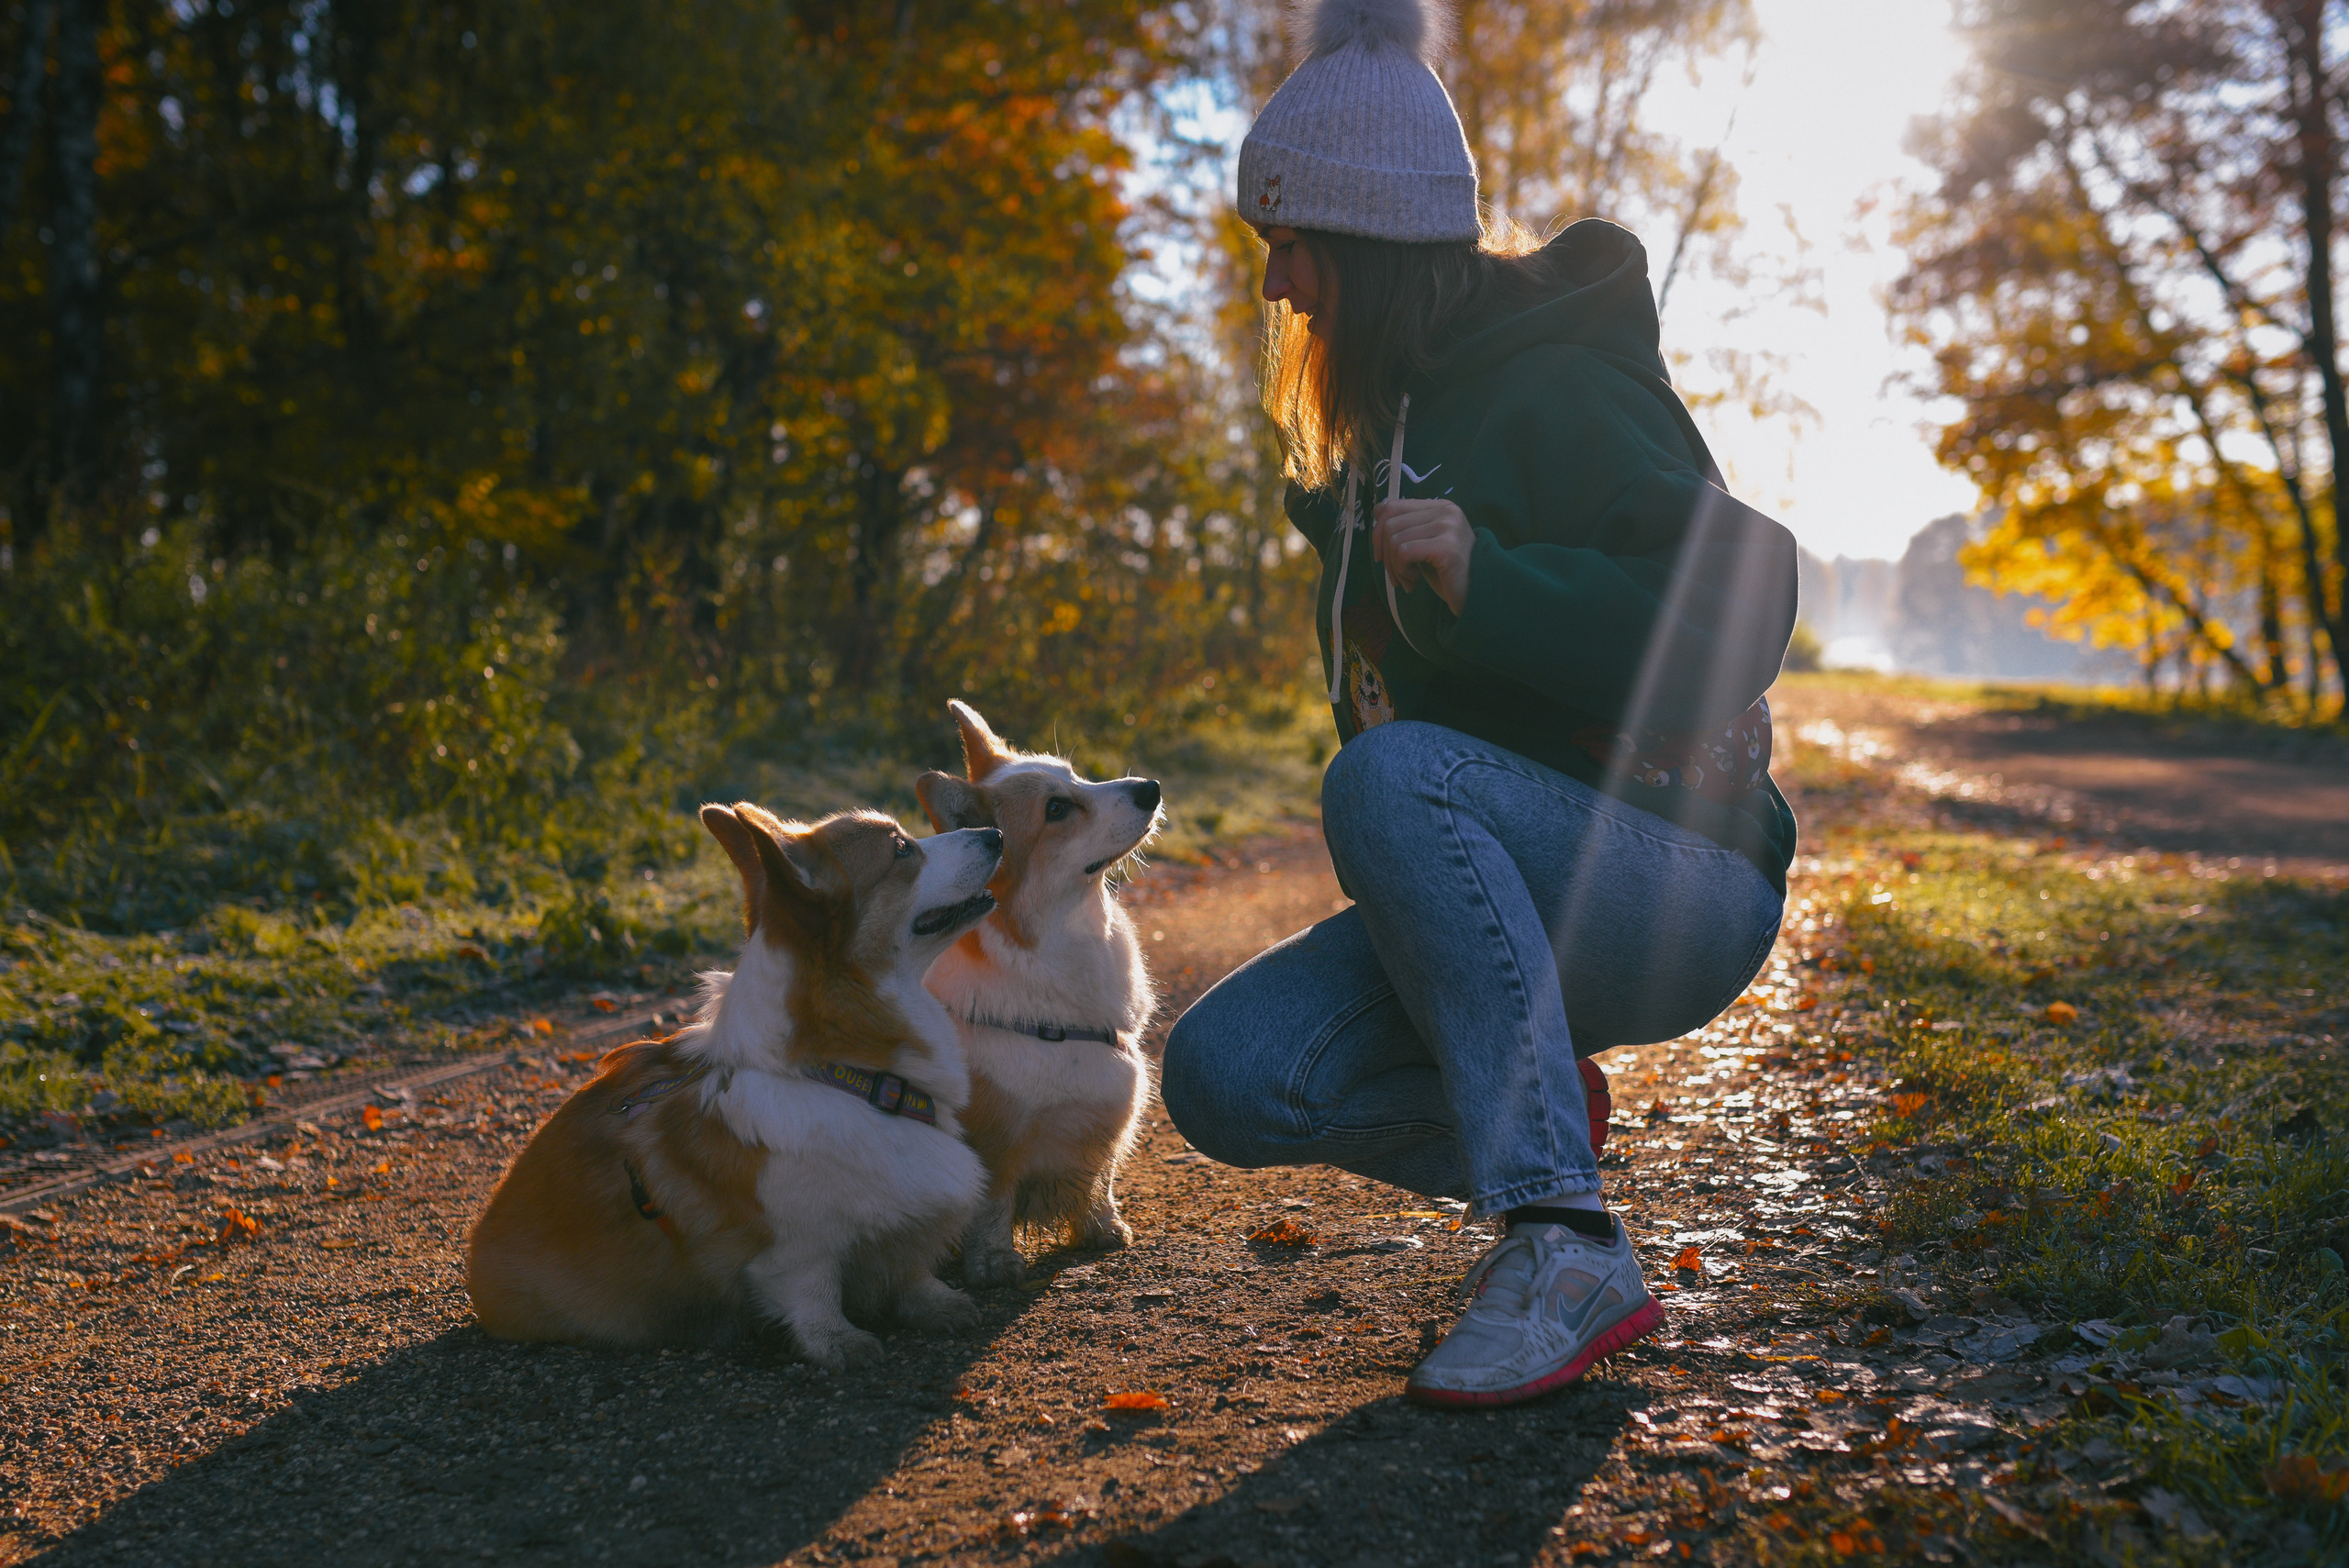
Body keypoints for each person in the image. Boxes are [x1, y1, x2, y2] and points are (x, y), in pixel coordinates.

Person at [1158, 0, 1799, 1408]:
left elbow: (1748, 601)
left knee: (1386, 785)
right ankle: (1548, 1132)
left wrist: (1494, 578)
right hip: (1525, 893)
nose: (1277, 288)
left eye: (1291, 245)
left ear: (1371, 245)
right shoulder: (1387, 432)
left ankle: (1561, 1238)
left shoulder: (1561, 379)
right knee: (1223, 1071)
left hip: (1677, 876)